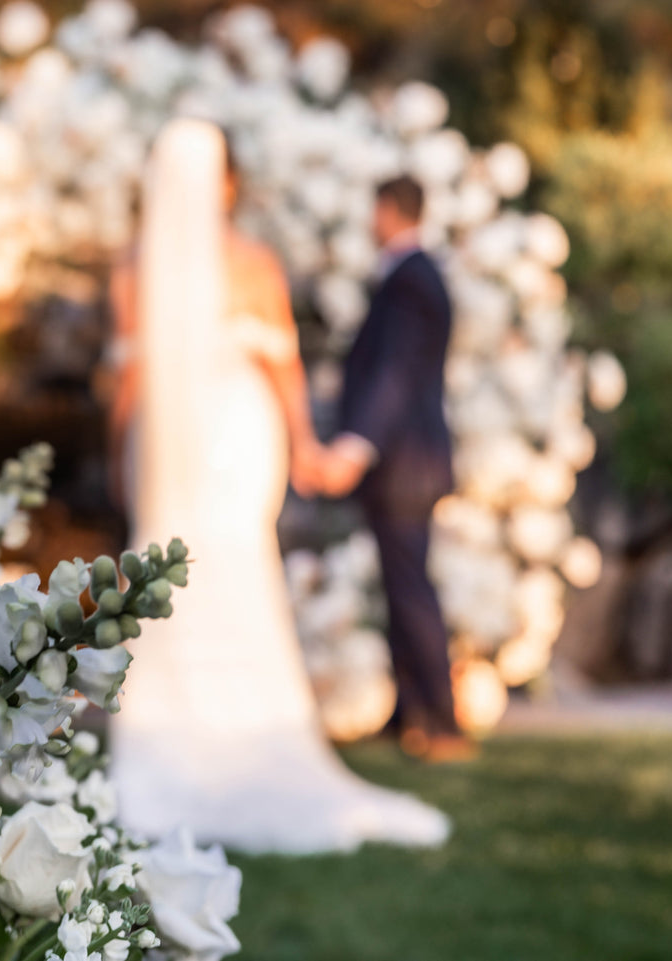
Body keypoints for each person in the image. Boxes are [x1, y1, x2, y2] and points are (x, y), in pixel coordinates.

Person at [105, 118, 450, 853]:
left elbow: (128, 383)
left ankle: (176, 733)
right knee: (230, 561)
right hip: (237, 429)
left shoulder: (134, 269)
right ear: (228, 183)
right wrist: (301, 442)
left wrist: (119, 449)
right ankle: (242, 725)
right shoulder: (252, 262)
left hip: (174, 437)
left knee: (179, 561)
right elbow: (283, 367)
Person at [314, 175, 477, 764]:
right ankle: (412, 713)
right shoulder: (411, 276)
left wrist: (355, 445)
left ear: (387, 210)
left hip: (405, 463)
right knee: (399, 585)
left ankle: (443, 720)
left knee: (411, 589)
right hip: (406, 464)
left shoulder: (411, 281)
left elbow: (394, 375)